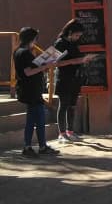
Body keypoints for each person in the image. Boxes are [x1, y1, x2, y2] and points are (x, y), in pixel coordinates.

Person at [13, 26, 59, 157]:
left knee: (36, 120)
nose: (36, 42)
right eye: (35, 39)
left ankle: (39, 146)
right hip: (31, 91)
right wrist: (45, 66)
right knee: (36, 120)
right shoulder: (24, 53)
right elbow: (28, 72)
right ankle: (30, 147)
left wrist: (41, 66)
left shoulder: (18, 51)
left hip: (30, 90)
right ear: (31, 39)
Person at [53, 18, 93, 143]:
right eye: (76, 35)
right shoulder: (60, 43)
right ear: (70, 32)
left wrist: (84, 60)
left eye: (79, 36)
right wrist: (74, 61)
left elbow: (76, 57)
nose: (78, 38)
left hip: (75, 78)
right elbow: (55, 63)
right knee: (63, 105)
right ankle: (61, 133)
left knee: (72, 105)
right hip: (64, 78)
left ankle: (70, 131)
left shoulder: (74, 43)